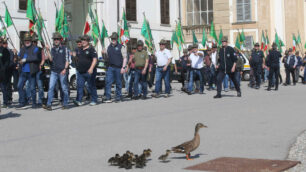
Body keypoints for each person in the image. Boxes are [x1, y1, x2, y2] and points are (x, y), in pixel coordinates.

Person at [43, 32, 69, 110]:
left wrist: (65, 69)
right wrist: (47, 50)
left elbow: (68, 60)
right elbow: (51, 59)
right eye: (55, 39)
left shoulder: (65, 48)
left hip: (62, 71)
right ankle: (49, 104)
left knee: (64, 88)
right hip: (54, 71)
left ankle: (65, 103)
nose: (56, 40)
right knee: (51, 87)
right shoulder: (53, 49)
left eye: (57, 39)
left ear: (60, 40)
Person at [16, 32, 42, 108]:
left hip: (31, 71)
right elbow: (19, 57)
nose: (27, 41)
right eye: (25, 40)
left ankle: (34, 103)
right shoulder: (22, 49)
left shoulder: (35, 48)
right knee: (19, 86)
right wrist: (17, 59)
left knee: (32, 88)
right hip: (23, 72)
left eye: (28, 40)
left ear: (31, 40)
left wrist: (25, 60)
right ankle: (22, 101)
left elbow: (36, 58)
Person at [73, 35, 98, 106]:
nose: (83, 42)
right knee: (80, 86)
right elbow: (78, 59)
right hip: (80, 71)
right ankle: (79, 100)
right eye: (82, 40)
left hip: (89, 71)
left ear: (88, 41)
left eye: (85, 40)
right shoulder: (79, 49)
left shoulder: (91, 49)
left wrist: (91, 68)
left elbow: (95, 59)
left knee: (91, 86)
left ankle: (94, 100)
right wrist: (74, 56)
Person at [104, 32, 127, 103]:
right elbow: (106, 58)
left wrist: (123, 67)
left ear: (117, 39)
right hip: (110, 67)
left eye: (114, 38)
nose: (113, 39)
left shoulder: (121, 47)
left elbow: (125, 58)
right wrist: (103, 53)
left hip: (118, 67)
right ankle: (108, 97)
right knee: (108, 82)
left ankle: (118, 97)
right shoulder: (109, 47)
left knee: (118, 83)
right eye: (112, 38)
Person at [32, 34, 45, 107]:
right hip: (31, 69)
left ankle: (40, 100)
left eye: (35, 42)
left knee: (40, 86)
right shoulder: (29, 49)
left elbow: (43, 59)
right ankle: (32, 100)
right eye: (33, 41)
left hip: (38, 69)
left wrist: (41, 65)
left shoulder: (40, 49)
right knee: (31, 86)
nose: (34, 43)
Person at [0, 38, 11, 108]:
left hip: (2, 72)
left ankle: (5, 102)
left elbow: (7, 61)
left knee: (3, 88)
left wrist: (4, 68)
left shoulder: (4, 50)